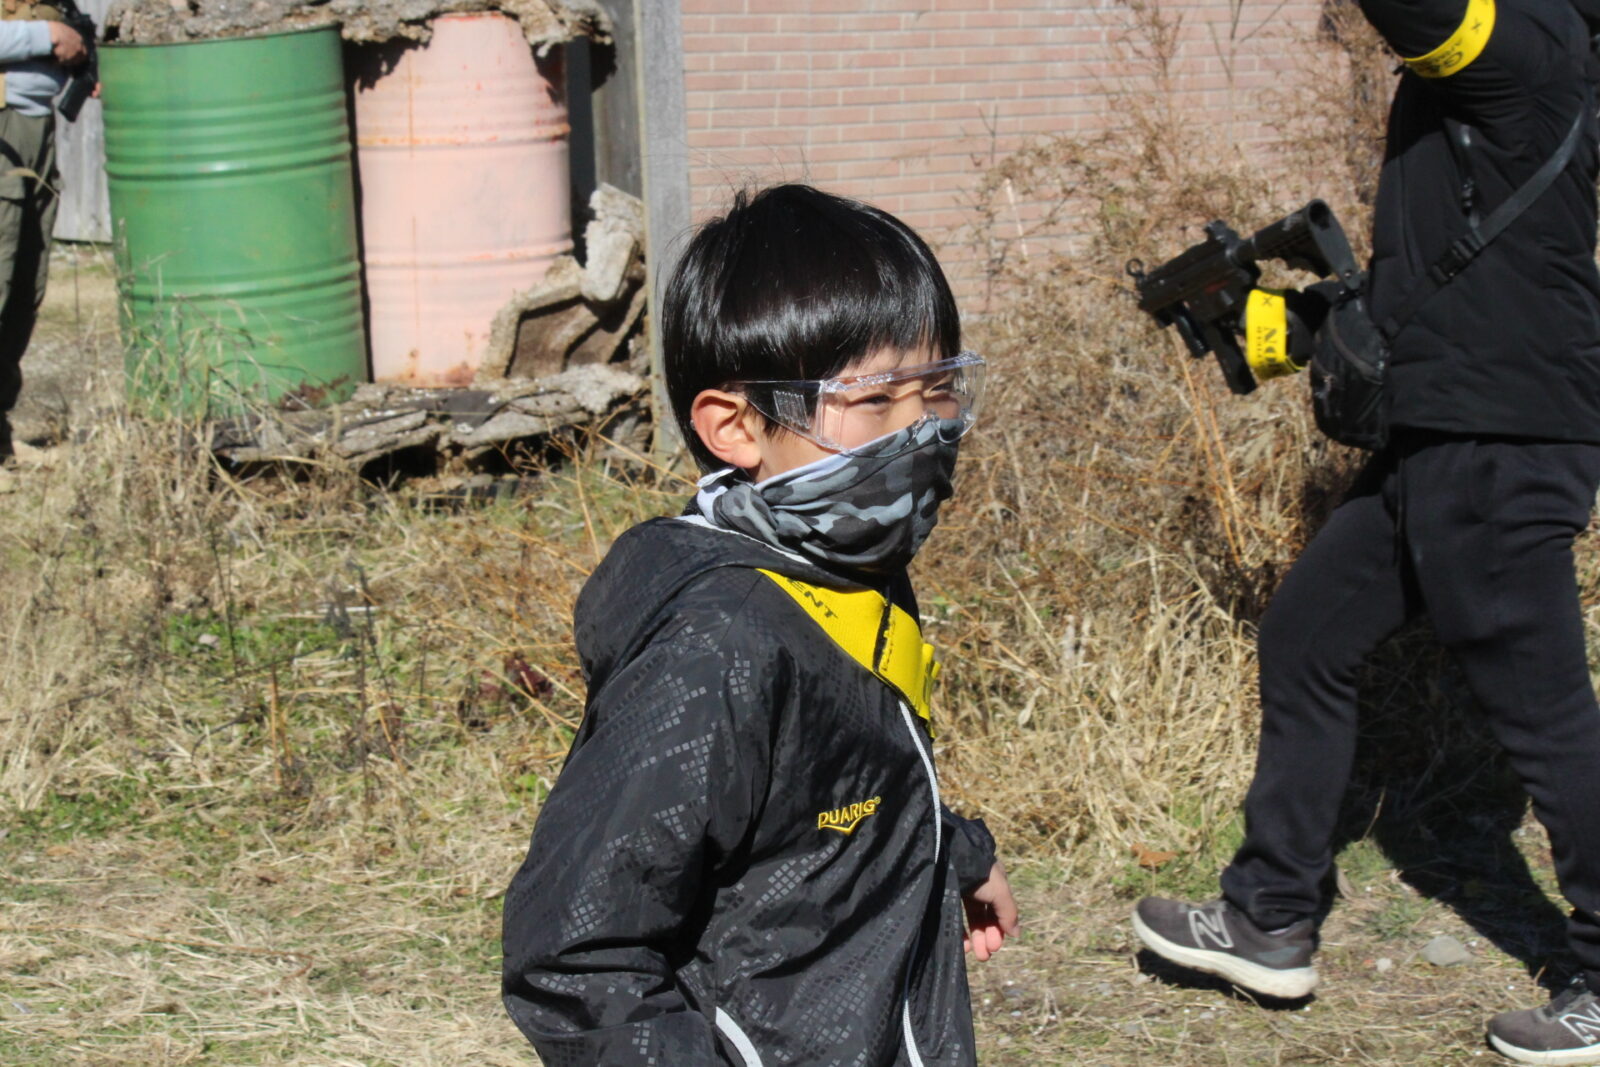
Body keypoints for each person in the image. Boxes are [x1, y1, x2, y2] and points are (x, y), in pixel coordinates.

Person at [1133, 0, 1600, 1062]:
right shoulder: (1493, 84)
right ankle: (1268, 916)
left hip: (1498, 441)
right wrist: (1294, 327)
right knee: (1306, 635)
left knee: (1544, 713)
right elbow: (1439, 277)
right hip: (1438, 435)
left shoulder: (1531, 47)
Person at [501, 184, 1019, 1066]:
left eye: (937, 392)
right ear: (737, 426)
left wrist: (955, 853)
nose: (921, 434)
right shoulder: (717, 645)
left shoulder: (850, 563)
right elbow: (576, 954)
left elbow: (841, 778)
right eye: (878, 402)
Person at [0, 4, 89, 461]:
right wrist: (45, 36)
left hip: (34, 122)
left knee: (22, 287)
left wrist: (81, 62)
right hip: (5, 127)